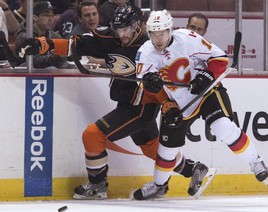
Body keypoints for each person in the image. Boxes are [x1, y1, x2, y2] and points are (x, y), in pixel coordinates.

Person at [18, 4, 209, 200]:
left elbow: (162, 82)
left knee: (93, 135)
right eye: (119, 29)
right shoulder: (109, 37)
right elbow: (73, 45)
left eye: (126, 29)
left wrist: (166, 102)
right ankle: (194, 169)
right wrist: (43, 44)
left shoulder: (150, 46)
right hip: (127, 103)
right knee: (152, 148)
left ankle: (97, 184)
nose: (122, 34)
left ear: (136, 25)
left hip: (141, 107)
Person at [133, 10, 268, 200]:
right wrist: (154, 86)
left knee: (223, 127)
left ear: (170, 29)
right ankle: (159, 186)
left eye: (161, 33)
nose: (157, 39)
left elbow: (220, 59)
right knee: (166, 149)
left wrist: (205, 77)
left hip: (204, 93)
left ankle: (255, 161)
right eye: (153, 34)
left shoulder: (188, 39)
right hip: (177, 103)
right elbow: (145, 84)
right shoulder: (145, 52)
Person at [15, 1, 71, 69]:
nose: (51, 19)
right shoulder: (24, 37)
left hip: (51, 73)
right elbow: (33, 61)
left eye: (52, 15)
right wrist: (56, 57)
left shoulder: (55, 36)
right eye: (46, 15)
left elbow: (63, 62)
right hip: (24, 75)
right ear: (35, 17)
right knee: (51, 68)